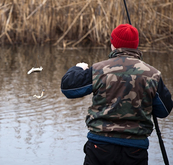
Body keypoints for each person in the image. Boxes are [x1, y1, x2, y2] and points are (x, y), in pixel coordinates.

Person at [61, 24, 173, 165]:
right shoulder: (153, 74)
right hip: (136, 151)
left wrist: (78, 68)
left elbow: (68, 89)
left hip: (100, 148)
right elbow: (164, 110)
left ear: (113, 44)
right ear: (136, 45)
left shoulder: (99, 70)